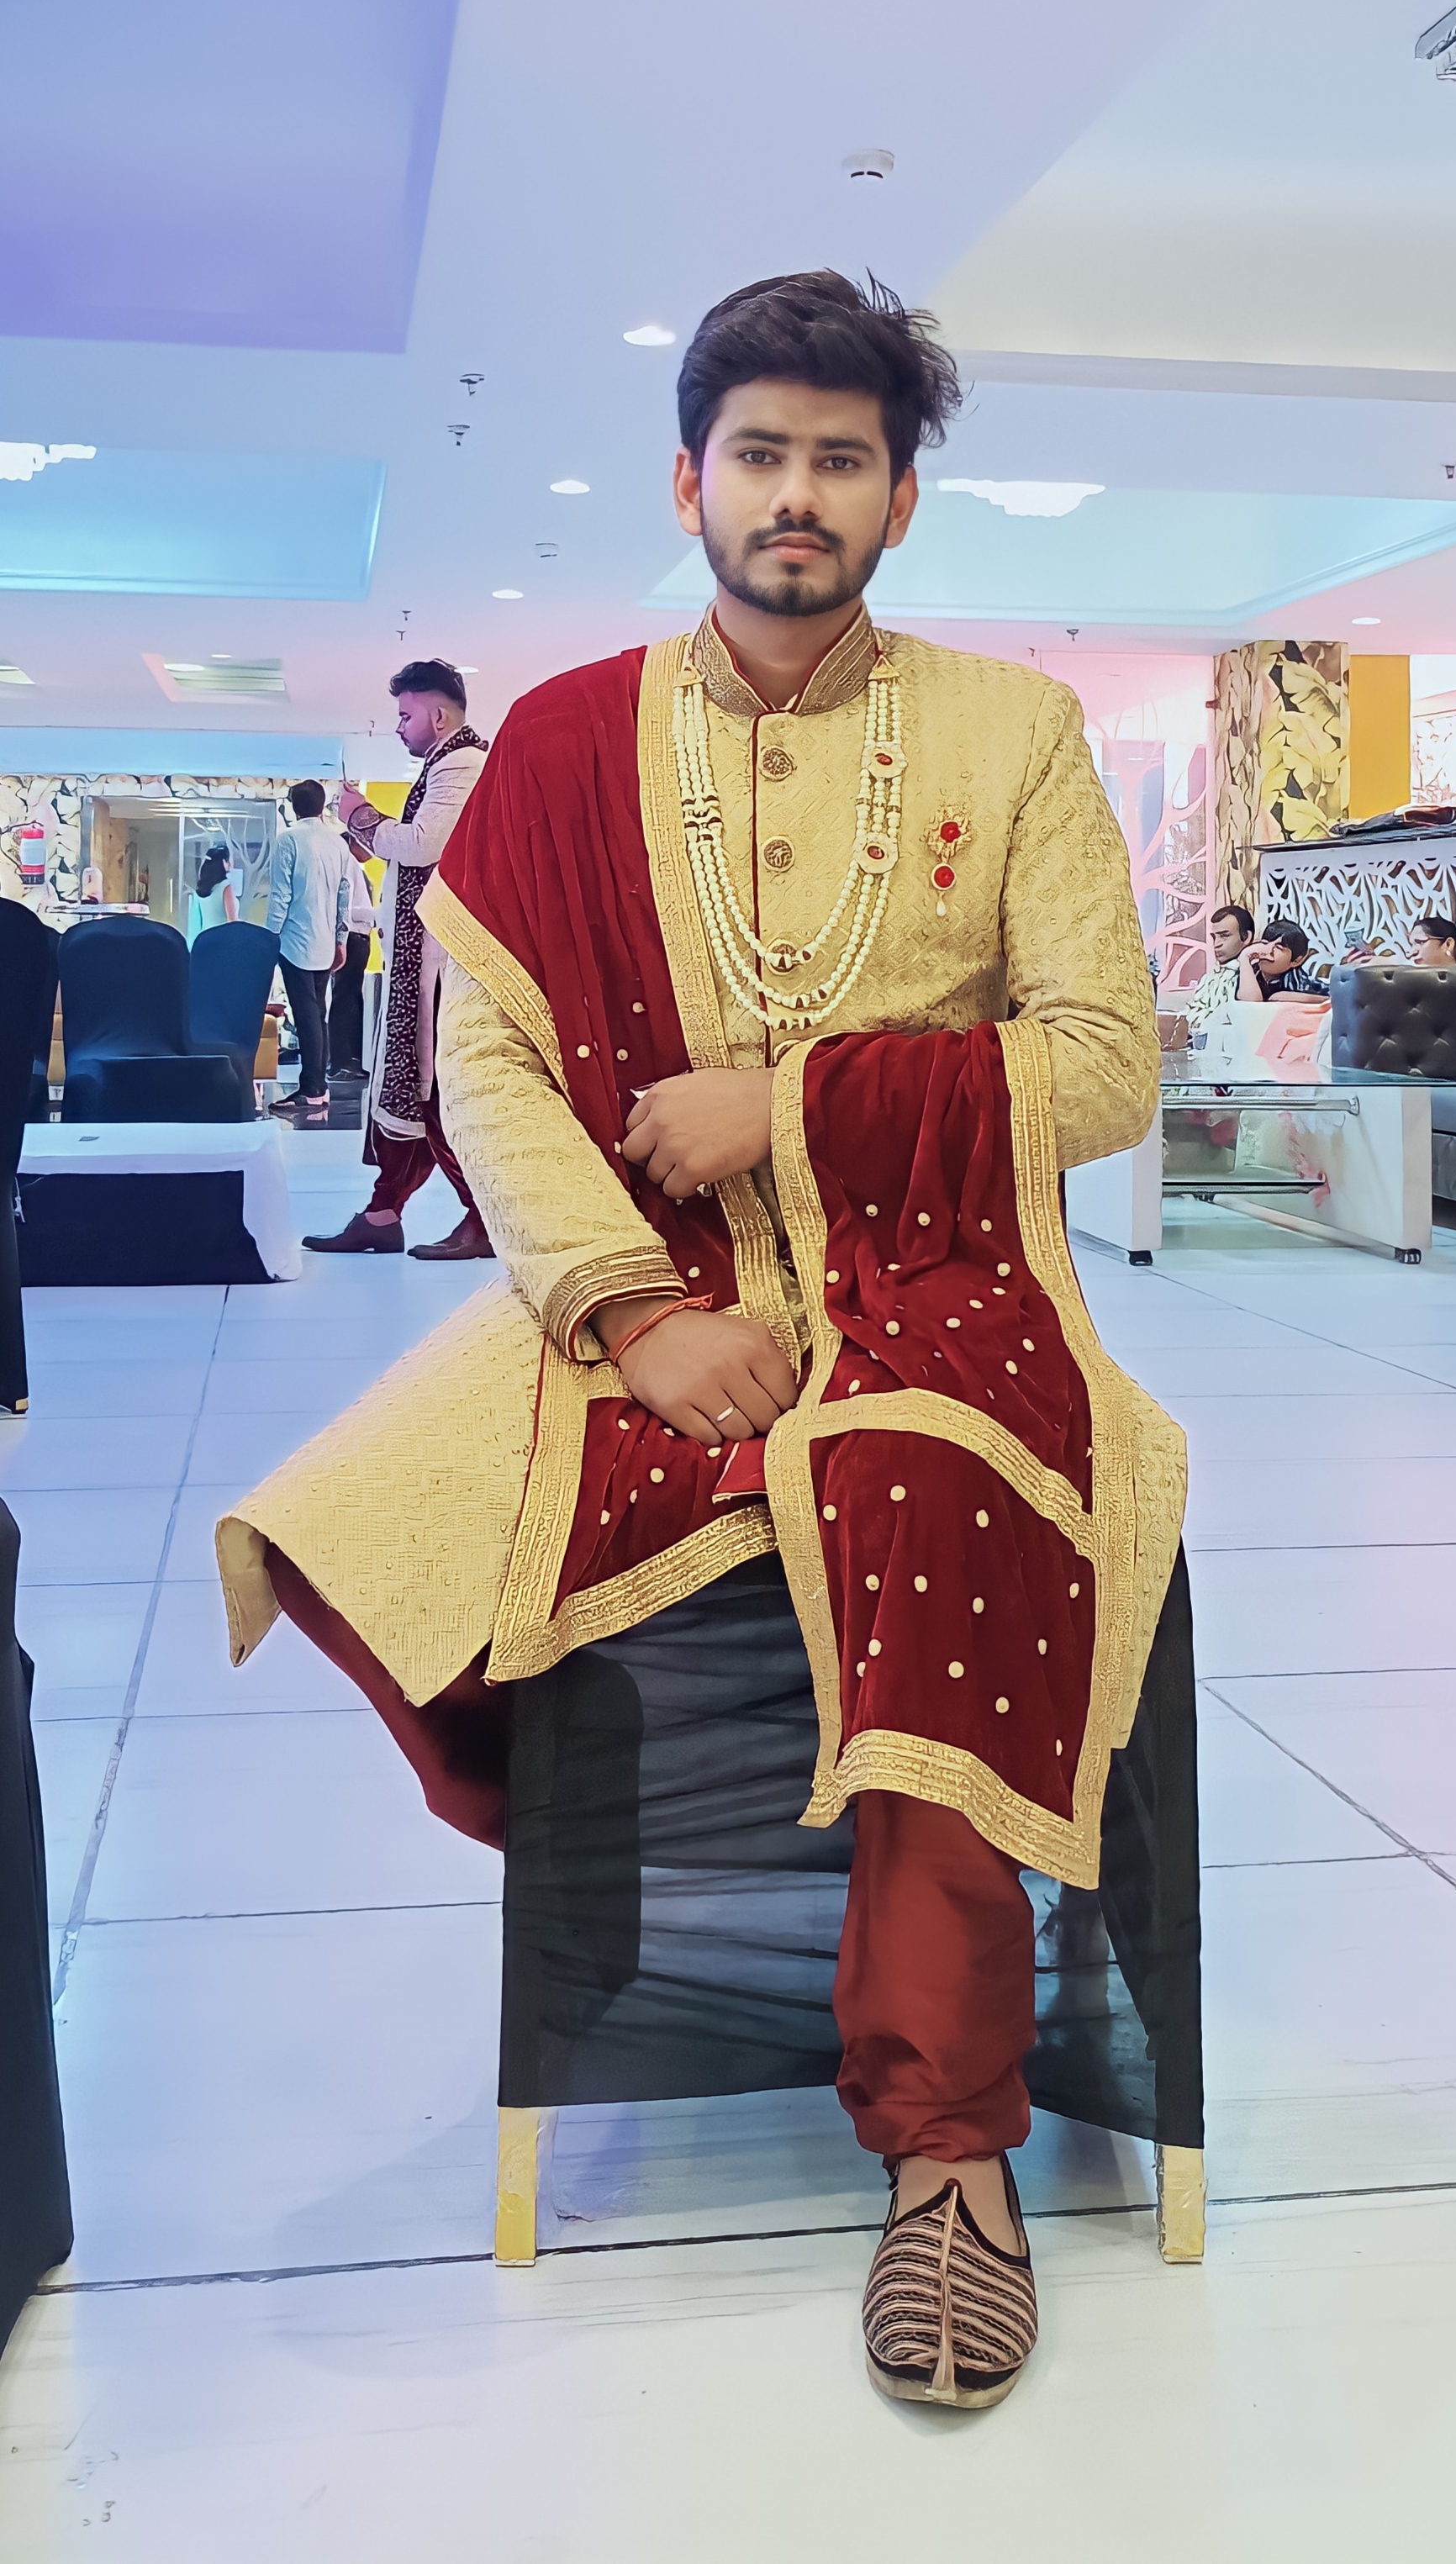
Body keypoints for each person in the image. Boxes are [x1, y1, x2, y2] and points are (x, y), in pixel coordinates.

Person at [216, 272, 1187, 2411]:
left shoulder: (1013, 736)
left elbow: (1108, 1067)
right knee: (404, 1509)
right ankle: (669, 1975)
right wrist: (635, 1311)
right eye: (761, 454)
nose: (797, 494)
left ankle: (950, 2146)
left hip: (944, 1272)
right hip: (638, 1276)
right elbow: (491, 1062)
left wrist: (795, 1107)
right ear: (689, 483)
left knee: (926, 1478)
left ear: (901, 500)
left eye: (843, 459)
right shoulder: (567, 742)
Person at [306, 661, 492, 1259]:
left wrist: (360, 816)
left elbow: (421, 845)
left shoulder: (463, 764)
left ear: (438, 715)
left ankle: (484, 1216)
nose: (399, 726)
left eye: (406, 715)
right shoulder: (446, 762)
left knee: (430, 1086)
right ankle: (383, 1213)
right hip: (422, 953)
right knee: (413, 1085)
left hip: (441, 959)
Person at [266, 783, 349, 1118]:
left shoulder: (288, 840)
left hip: (295, 941)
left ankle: (312, 1089)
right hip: (326, 941)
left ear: (292, 806)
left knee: (306, 1015)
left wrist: (269, 938)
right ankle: (319, 1086)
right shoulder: (338, 843)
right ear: (321, 805)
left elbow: (280, 895)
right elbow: (344, 894)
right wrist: (341, 939)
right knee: (318, 1013)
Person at [327, 840, 376, 1082]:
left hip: (356, 936)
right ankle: (343, 1061)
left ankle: (349, 1059)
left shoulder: (353, 866)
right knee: (346, 998)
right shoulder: (347, 864)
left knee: (350, 997)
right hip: (352, 936)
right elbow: (345, 906)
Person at [1185, 904, 1253, 1024]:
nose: (1217, 944)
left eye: (1225, 936)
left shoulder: (1252, 976)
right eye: (1214, 937)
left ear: (1246, 937)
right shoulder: (1208, 978)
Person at [1235, 917, 1328, 1002]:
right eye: (1264, 943)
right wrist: (1245, 957)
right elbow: (1249, 1003)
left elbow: (1331, 998)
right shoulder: (1245, 971)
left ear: (1296, 961)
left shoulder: (1301, 982)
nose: (1268, 951)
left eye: (1278, 948)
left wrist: (1299, 998)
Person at [187, 841, 238, 942]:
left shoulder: (200, 889)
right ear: (223, 862)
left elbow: (195, 923)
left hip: (204, 939)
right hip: (222, 940)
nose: (230, 864)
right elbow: (232, 922)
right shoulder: (226, 886)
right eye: (227, 860)